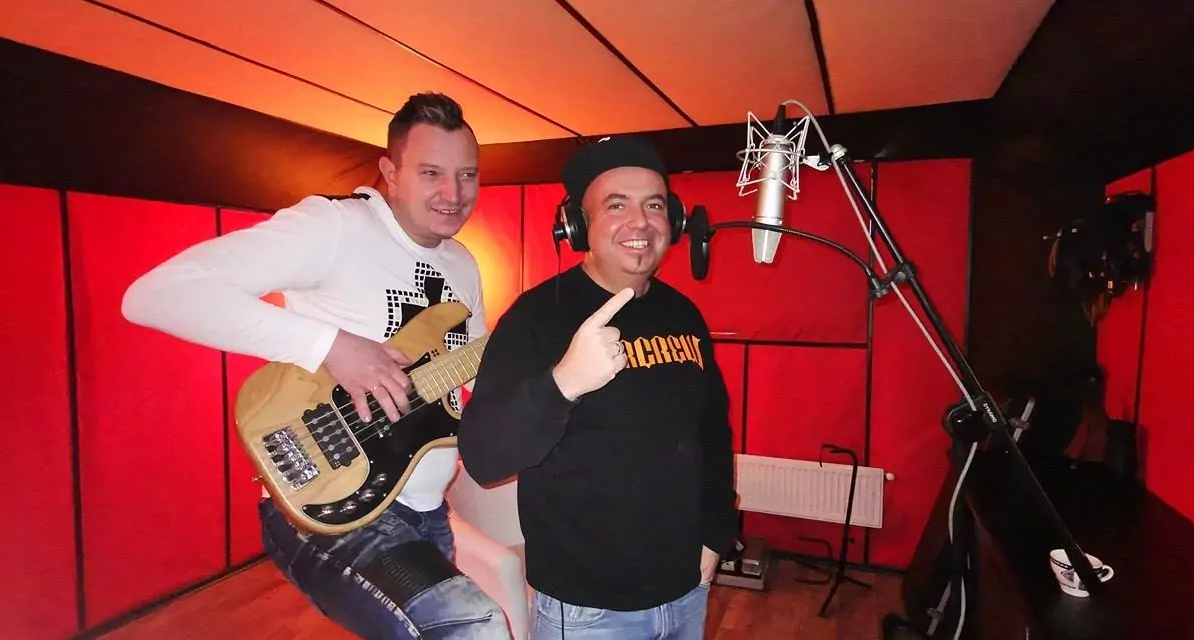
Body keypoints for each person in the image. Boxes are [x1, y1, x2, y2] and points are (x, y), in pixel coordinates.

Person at [122, 92, 511, 639]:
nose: (453, 193)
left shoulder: (463, 264)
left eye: (467, 175)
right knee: (472, 625)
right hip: (331, 499)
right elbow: (157, 295)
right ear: (390, 173)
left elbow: (470, 371)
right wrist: (331, 345)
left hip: (426, 509)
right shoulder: (334, 227)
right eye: (431, 173)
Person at [457, 136, 739, 639]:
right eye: (616, 205)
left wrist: (716, 534)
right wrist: (564, 381)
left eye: (654, 205)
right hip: (589, 612)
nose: (640, 221)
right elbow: (483, 458)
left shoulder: (684, 314)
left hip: (685, 590)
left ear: (674, 221)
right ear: (578, 224)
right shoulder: (535, 318)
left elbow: (712, 435)